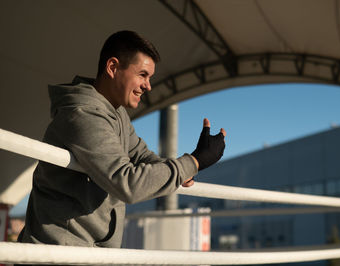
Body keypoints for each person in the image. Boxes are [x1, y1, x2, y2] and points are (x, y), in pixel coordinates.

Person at [17, 30, 226, 252]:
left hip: (86, 252)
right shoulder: (84, 114)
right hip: (58, 252)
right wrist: (193, 162)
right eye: (143, 74)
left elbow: (141, 155)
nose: (148, 86)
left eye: (150, 78)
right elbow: (126, 184)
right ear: (113, 68)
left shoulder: (116, 114)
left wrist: (183, 171)